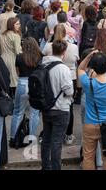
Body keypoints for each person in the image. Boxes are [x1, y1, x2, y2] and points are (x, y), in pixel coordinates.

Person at [77, 51, 106, 170]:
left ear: (93, 68)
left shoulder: (88, 83)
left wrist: (89, 56)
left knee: (88, 156)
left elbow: (81, 68)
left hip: (90, 124)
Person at [43, 24, 79, 145]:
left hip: (52, 76)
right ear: (65, 33)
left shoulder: (48, 46)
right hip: (71, 76)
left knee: (52, 102)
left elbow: (43, 55)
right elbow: (76, 61)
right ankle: (68, 134)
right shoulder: (73, 47)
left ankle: (49, 132)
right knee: (69, 106)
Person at [41, 40, 74, 170]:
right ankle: (55, 167)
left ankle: (45, 166)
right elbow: (69, 91)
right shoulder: (63, 69)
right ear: (64, 52)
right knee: (56, 142)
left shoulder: (43, 65)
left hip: (46, 108)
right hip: (61, 109)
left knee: (46, 140)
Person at [10, 38, 42, 146]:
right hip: (35, 84)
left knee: (18, 111)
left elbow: (18, 72)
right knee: (35, 113)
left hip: (23, 82)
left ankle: (14, 137)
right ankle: (31, 138)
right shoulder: (39, 57)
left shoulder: (19, 57)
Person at [0, 17, 22, 95]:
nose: (19, 25)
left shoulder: (1, 35)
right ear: (12, 25)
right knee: (13, 81)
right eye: (17, 24)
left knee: (5, 80)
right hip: (12, 59)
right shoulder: (16, 36)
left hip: (2, 59)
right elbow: (18, 51)